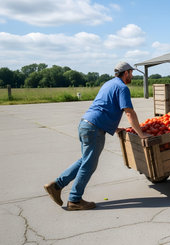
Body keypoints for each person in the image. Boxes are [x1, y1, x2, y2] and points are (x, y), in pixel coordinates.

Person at [44, 61, 147, 211]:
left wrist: (114, 127)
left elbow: (103, 106)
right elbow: (129, 112)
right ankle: (74, 200)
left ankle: (56, 185)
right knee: (89, 165)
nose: (132, 75)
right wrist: (141, 134)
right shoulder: (123, 87)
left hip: (86, 123)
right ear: (126, 73)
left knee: (85, 160)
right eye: (131, 73)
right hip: (94, 129)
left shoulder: (109, 84)